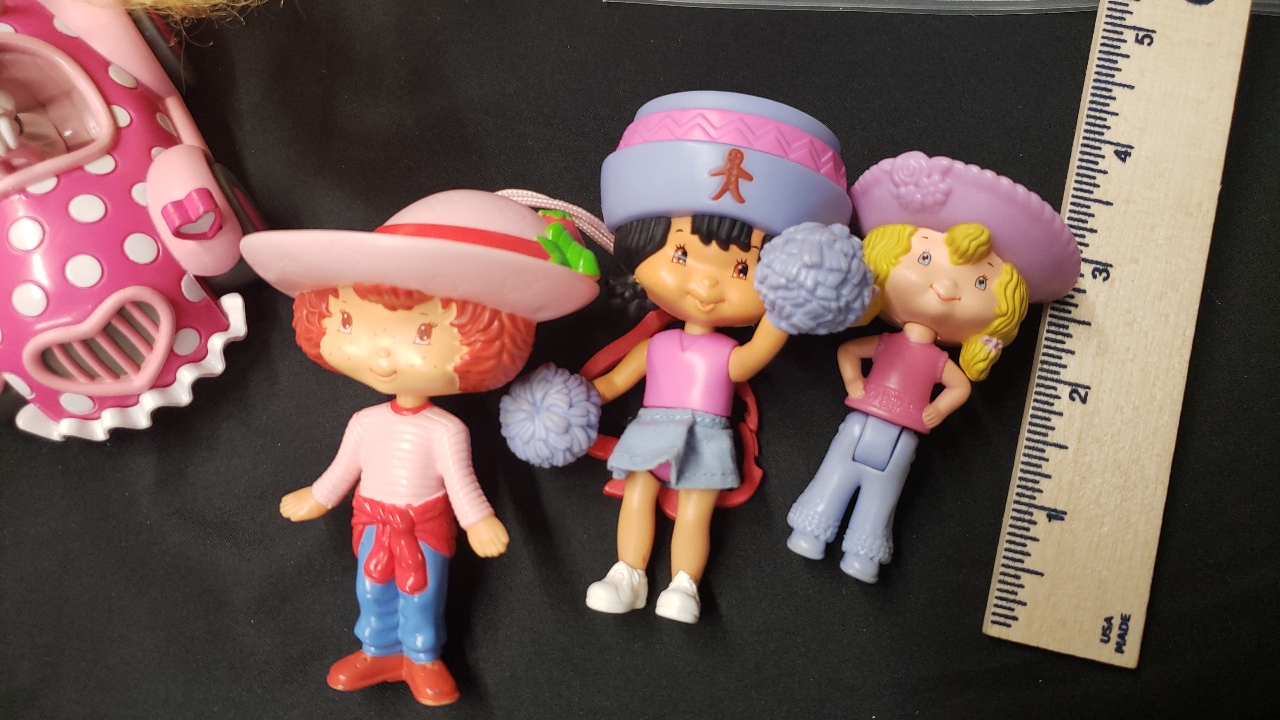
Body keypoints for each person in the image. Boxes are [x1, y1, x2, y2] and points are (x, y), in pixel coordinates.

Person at [239, 189, 599, 705]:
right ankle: (376, 650)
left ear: (482, 345)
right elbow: (344, 469)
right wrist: (318, 497)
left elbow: (460, 480)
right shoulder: (365, 421)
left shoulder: (445, 429)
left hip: (423, 525)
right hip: (371, 520)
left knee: (423, 592)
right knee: (370, 588)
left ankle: (422, 656)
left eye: (424, 332)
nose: (383, 354)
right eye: (350, 322)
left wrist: (478, 521)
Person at [785, 151, 1082, 584]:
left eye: (981, 281)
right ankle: (811, 529)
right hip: (860, 422)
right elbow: (849, 351)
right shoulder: (887, 342)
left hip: (905, 433)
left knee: (883, 492)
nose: (943, 287)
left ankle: (864, 551)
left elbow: (959, 387)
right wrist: (853, 380)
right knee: (834, 474)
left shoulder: (939, 359)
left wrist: (938, 409)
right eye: (924, 258)